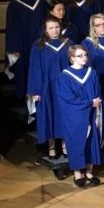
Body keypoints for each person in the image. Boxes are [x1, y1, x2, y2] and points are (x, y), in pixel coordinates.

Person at [55, 44, 103, 188]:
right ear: (71, 58)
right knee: (77, 142)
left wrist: (95, 103)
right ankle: (77, 172)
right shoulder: (64, 76)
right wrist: (89, 103)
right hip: (75, 116)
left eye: (85, 55)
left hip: (92, 113)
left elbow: (97, 91)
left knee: (91, 142)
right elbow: (67, 99)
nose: (84, 58)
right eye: (80, 56)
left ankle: (89, 171)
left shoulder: (91, 72)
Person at [27, 16, 72, 159]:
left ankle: (65, 145)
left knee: (64, 115)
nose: (55, 31)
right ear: (45, 30)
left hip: (64, 87)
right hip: (46, 87)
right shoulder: (38, 45)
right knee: (49, 115)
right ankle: (51, 146)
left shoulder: (68, 43)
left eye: (57, 27)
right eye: (51, 28)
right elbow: (35, 69)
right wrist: (35, 91)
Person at [5, 0, 49, 99]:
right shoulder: (14, 5)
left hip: (39, 43)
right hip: (22, 45)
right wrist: (14, 49)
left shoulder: (41, 3)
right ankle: (24, 100)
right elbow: (11, 28)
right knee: (24, 71)